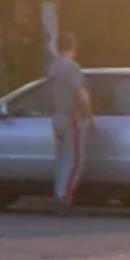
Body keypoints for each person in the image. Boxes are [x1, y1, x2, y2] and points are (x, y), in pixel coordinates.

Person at [48, 30, 95, 214]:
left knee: (62, 160)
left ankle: (58, 194)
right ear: (73, 47)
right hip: (72, 117)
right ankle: (64, 198)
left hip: (57, 116)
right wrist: (90, 116)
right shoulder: (71, 67)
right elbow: (79, 94)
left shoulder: (53, 67)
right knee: (75, 160)